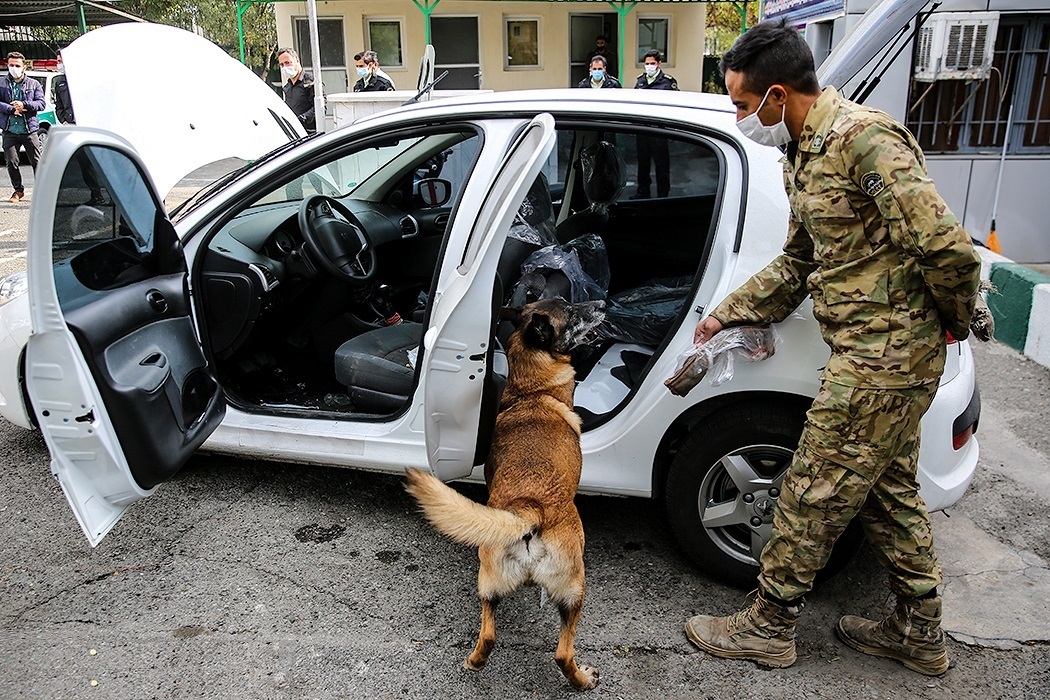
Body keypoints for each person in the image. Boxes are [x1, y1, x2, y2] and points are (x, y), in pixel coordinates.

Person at [683, 20, 981, 676]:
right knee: (887, 492)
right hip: (870, 352)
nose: (739, 116)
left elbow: (948, 250)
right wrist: (725, 315)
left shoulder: (863, 141)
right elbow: (798, 263)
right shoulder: (803, 155)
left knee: (811, 489)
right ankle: (919, 631)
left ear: (778, 95)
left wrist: (956, 321)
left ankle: (769, 625)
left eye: (740, 103)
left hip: (884, 359)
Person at [52, 50, 105, 206]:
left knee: (99, 162)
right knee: (85, 163)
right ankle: (96, 195)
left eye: (60, 61)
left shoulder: (86, 80)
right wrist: (64, 121)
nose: (58, 64)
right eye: (57, 61)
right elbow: (59, 106)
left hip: (90, 127)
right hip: (73, 127)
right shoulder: (60, 82)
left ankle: (111, 197)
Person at [632, 50, 677, 198]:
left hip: (659, 131)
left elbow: (674, 106)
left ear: (659, 64)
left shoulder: (668, 82)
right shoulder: (640, 81)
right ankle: (642, 192)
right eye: (646, 64)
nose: (649, 66)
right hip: (643, 130)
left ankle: (662, 194)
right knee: (643, 164)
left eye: (652, 63)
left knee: (661, 165)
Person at [1, 52, 45, 203]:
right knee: (11, 161)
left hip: (29, 130)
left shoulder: (34, 84)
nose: (14, 68)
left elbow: (41, 103)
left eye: (17, 65)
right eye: (11, 65)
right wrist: (11, 109)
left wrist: (24, 105)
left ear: (24, 67)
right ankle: (18, 190)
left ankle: (41, 190)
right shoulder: (2, 83)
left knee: (36, 161)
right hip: (10, 130)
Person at [278, 47, 324, 134]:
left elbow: (320, 107)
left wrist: (302, 119)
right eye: (282, 65)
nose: (285, 67)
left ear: (297, 60)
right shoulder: (287, 87)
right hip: (293, 134)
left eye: (287, 62)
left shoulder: (311, 82)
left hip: (311, 134)